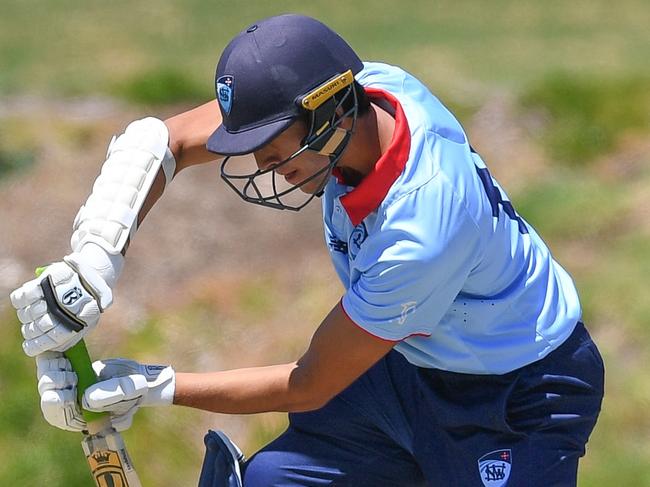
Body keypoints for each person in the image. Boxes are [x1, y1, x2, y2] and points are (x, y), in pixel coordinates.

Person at [11, 14, 604, 487]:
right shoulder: (370, 89)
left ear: (327, 116)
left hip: (517, 394)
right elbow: (161, 141)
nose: (260, 165)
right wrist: (96, 254)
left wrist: (158, 386)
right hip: (410, 369)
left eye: (272, 149)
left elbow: (310, 384)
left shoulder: (419, 232)